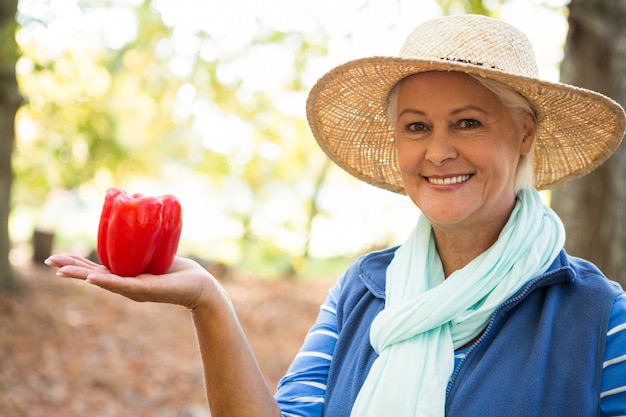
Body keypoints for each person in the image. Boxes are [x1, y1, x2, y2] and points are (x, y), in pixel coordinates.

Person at [45, 14, 626, 417]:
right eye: (416, 126)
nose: (438, 151)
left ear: (523, 133)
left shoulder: (601, 319)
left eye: (468, 122)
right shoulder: (363, 291)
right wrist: (208, 301)